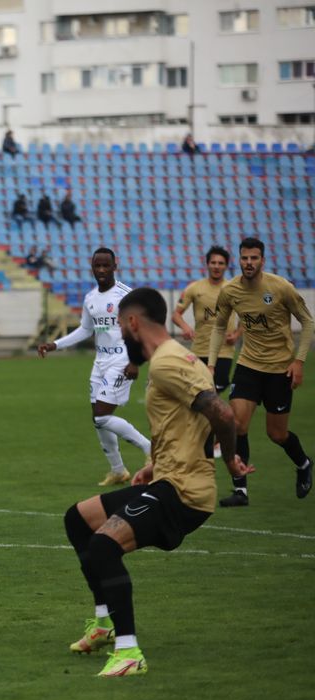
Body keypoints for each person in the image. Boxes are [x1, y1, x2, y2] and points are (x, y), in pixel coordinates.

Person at [61, 287, 251, 677]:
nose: (119, 336)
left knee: (103, 546)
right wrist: (154, 461)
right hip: (167, 478)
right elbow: (192, 419)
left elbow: (223, 415)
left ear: (133, 323)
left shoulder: (167, 363)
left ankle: (129, 651)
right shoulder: (177, 358)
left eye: (120, 326)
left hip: (184, 492)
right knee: (78, 519)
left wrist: (231, 459)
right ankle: (104, 624)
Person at [206, 236, 313, 506]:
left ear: (262, 261)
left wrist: (298, 361)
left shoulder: (280, 287)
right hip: (248, 365)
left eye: (254, 258)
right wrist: (211, 364)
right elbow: (219, 326)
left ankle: (303, 463)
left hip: (280, 369)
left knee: (277, 435)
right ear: (239, 260)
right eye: (245, 258)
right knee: (237, 424)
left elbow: (307, 322)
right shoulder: (230, 291)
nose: (249, 263)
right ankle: (240, 490)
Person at [37, 248, 152, 485]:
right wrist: (54, 345)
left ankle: (151, 449)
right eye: (97, 266)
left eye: (105, 266)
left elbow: (139, 330)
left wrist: (134, 361)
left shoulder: (125, 296)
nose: (101, 270)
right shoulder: (90, 298)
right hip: (100, 362)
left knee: (101, 417)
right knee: (98, 418)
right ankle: (118, 470)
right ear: (92, 267)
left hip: (122, 359)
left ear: (114, 266)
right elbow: (86, 330)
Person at [172, 246, 241, 396]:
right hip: (199, 349)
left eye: (220, 263)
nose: (216, 266)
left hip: (223, 351)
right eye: (213, 262)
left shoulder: (233, 289)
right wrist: (185, 327)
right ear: (207, 264)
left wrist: (237, 334)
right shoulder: (194, 288)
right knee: (199, 393)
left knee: (215, 390)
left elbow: (246, 316)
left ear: (226, 265)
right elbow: (176, 314)